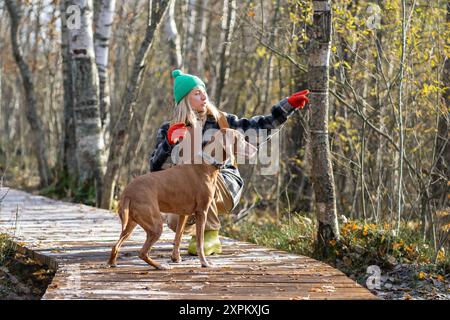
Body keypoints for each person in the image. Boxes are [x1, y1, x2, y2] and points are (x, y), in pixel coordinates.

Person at [149, 69, 309, 256]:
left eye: (204, 91)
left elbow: (258, 129)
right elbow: (155, 168)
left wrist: (287, 106)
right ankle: (197, 231)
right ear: (184, 100)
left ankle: (210, 236)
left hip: (224, 184)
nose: (204, 96)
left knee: (202, 176)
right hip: (186, 189)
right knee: (174, 218)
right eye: (197, 93)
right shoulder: (169, 129)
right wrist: (169, 142)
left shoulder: (222, 121)